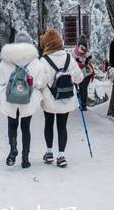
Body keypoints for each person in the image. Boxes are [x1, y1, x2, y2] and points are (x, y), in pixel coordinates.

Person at [35, 28, 84, 168]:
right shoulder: (69, 58)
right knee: (62, 126)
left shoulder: (44, 61)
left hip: (50, 100)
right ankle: (61, 155)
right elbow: (79, 78)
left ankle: (49, 152)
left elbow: (39, 83)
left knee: (49, 124)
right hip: (66, 99)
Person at [0, 30, 42, 168]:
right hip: (27, 99)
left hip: (10, 100)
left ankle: (13, 149)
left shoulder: (7, 59)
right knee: (26, 127)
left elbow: (0, 80)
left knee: (12, 125)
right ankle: (25, 158)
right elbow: (39, 82)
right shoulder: (35, 61)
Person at [73, 37, 95, 111]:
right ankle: (83, 105)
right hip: (85, 72)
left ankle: (83, 105)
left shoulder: (76, 51)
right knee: (83, 88)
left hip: (83, 72)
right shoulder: (86, 52)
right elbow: (87, 60)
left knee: (82, 88)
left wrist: (82, 61)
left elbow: (75, 62)